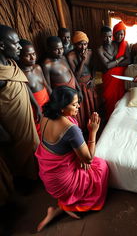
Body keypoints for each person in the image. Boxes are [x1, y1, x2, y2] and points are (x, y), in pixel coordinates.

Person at [35, 86, 109, 232]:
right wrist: (93, 131)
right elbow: (88, 159)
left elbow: (61, 149)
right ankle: (69, 206)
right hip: (63, 183)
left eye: (78, 103)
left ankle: (61, 207)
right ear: (62, 108)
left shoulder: (46, 116)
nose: (79, 106)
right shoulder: (71, 129)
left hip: (48, 177)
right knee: (100, 167)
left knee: (89, 165)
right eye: (74, 104)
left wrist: (78, 157)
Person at [0, 24, 39, 182]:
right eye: (15, 44)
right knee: (19, 154)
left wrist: (35, 104)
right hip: (12, 125)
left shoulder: (11, 63)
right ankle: (25, 181)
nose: (19, 47)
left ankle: (35, 176)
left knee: (33, 147)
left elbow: (22, 82)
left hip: (26, 118)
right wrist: (1, 131)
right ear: (1, 45)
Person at [66, 31, 98, 132]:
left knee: (92, 105)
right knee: (82, 108)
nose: (83, 47)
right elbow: (76, 76)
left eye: (85, 44)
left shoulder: (90, 52)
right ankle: (83, 129)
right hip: (79, 84)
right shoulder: (70, 56)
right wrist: (83, 60)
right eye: (80, 44)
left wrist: (93, 79)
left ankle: (94, 125)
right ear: (74, 45)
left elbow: (93, 67)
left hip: (89, 82)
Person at [19, 39, 51, 137]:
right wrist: (37, 108)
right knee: (41, 130)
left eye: (34, 54)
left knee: (51, 126)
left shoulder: (38, 67)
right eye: (27, 55)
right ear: (19, 57)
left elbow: (46, 84)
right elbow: (28, 95)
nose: (32, 57)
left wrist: (53, 97)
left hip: (47, 101)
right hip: (35, 106)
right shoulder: (21, 74)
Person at [100, 22, 131, 120]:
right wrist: (120, 59)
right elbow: (107, 66)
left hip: (120, 75)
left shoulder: (125, 44)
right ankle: (109, 118)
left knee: (119, 97)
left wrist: (115, 64)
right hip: (109, 76)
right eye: (117, 34)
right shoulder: (110, 44)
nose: (119, 36)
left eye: (121, 34)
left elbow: (128, 60)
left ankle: (118, 118)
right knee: (108, 97)